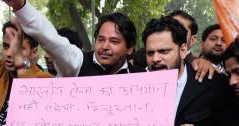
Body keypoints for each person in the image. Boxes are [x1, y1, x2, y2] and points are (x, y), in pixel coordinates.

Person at [8, 0, 143, 77]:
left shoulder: (143, 79)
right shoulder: (78, 62)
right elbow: (51, 39)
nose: (105, 46)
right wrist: (21, 7)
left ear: (130, 47)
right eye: (100, 40)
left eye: (114, 41)